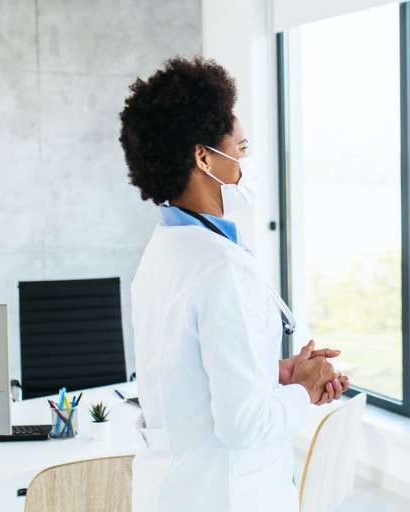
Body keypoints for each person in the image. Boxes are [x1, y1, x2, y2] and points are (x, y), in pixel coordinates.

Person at [118, 56, 349, 512]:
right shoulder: (220, 267)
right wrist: (302, 390)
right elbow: (244, 424)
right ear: (204, 157)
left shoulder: (164, 249)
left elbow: (186, 375)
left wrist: (271, 372)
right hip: (227, 495)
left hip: (172, 489)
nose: (247, 163)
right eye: (241, 150)